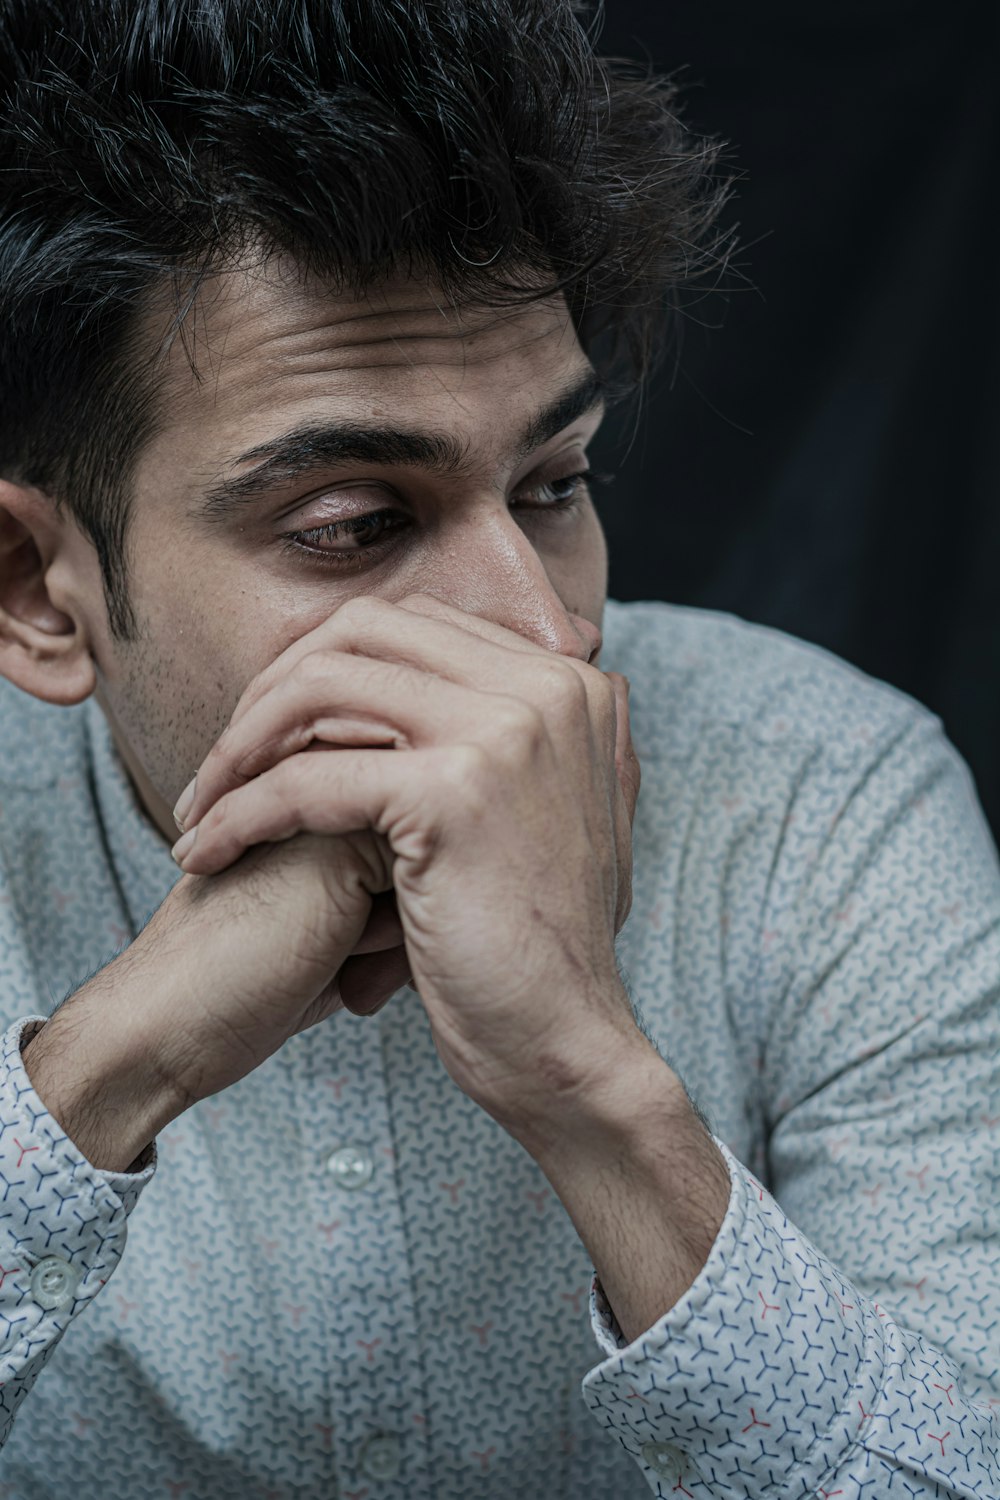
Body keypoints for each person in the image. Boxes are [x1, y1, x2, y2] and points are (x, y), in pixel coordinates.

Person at [0, 2, 995, 1496]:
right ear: (39, 592)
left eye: (552, 485)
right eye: (354, 525)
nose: (540, 637)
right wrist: (108, 1066)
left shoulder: (826, 799)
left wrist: (594, 1086)